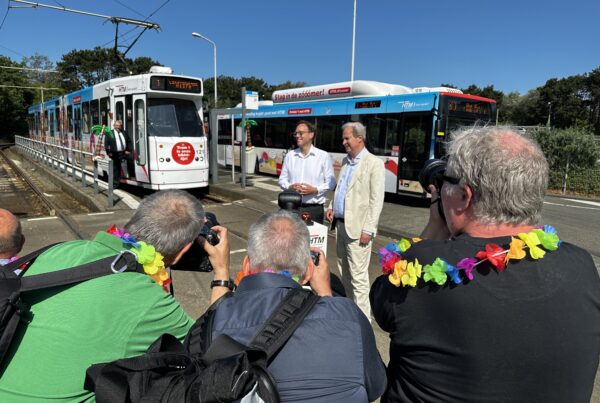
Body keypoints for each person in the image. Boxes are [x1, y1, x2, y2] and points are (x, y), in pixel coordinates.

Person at [370, 126, 600, 403]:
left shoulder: (422, 268)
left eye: (446, 182)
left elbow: (381, 304)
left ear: (465, 196)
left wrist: (436, 223)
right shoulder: (581, 265)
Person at [0, 190, 230, 402]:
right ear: (183, 251)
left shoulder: (58, 249)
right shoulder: (151, 303)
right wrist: (221, 271)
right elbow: (212, 350)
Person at [207, 210, 386, 402]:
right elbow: (376, 386)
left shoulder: (218, 320)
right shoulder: (349, 315)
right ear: (309, 270)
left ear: (246, 266)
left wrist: (221, 271)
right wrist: (326, 294)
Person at [325, 121, 385, 319]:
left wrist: (369, 229)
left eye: (347, 138)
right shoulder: (345, 162)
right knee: (345, 274)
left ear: (360, 138)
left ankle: (364, 322)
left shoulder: (374, 163)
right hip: (341, 226)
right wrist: (332, 208)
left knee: (359, 279)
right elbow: (341, 190)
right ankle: (352, 314)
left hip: (359, 230)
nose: (343, 142)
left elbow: (376, 200)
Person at [279, 120, 336, 224]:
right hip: (291, 207)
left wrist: (315, 190)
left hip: (313, 209)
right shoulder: (290, 156)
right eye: (296, 133)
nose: (297, 136)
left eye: (301, 133)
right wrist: (289, 187)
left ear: (311, 135)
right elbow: (282, 179)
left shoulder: (323, 156)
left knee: (310, 239)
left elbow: (331, 183)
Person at [104, 119, 129, 188]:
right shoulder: (110, 133)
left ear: (121, 126)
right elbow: (106, 143)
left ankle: (120, 181)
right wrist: (108, 152)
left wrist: (128, 150)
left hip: (123, 153)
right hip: (114, 153)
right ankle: (115, 184)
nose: (118, 127)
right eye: (116, 125)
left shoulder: (123, 132)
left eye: (119, 126)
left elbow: (128, 141)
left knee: (121, 167)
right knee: (115, 169)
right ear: (114, 126)